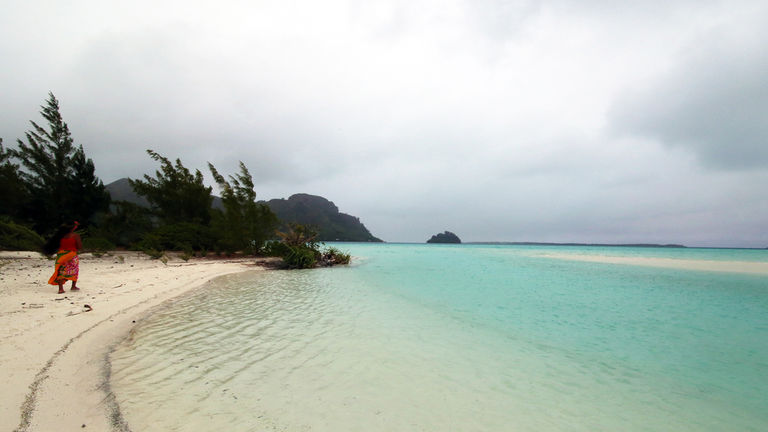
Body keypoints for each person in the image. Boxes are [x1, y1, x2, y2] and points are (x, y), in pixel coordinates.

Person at [44, 221, 83, 294]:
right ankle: (73, 286)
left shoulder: (60, 235)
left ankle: (61, 289)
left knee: (61, 271)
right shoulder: (75, 236)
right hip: (71, 255)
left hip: (61, 255)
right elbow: (79, 247)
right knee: (74, 270)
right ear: (74, 228)